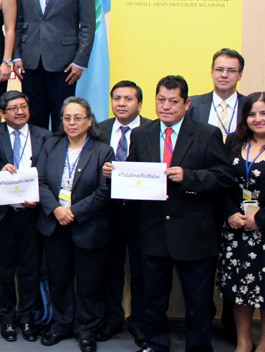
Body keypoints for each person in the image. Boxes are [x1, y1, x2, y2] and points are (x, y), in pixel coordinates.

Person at [104, 75, 235, 352]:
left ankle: (198, 348)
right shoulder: (143, 134)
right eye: (161, 100)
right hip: (153, 232)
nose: (166, 107)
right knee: (153, 299)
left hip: (194, 233)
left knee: (198, 302)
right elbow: (131, 176)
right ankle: (156, 344)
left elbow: (224, 178)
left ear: (186, 104)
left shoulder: (206, 133)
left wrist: (190, 177)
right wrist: (112, 175)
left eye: (173, 101)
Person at [35, 97, 113, 352]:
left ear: (90, 121)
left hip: (88, 227)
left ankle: (86, 330)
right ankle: (61, 324)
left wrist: (74, 212)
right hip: (55, 224)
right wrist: (57, 209)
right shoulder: (52, 144)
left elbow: (104, 191)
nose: (72, 122)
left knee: (89, 282)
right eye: (67, 117)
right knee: (59, 279)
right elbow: (41, 181)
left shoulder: (103, 150)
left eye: (78, 117)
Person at [220, 92, 265, 352]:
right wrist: (230, 212)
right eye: (251, 114)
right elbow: (221, 182)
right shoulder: (232, 144)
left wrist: (261, 219)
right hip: (237, 230)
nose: (258, 119)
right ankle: (243, 342)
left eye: (264, 113)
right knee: (240, 291)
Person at [12, 0, 96, 131]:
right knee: (34, 118)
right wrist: (16, 55)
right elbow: (19, 19)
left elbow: (87, 24)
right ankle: (37, 162)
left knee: (63, 118)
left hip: (65, 64)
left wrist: (80, 62)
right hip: (30, 62)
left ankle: (60, 162)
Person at [0, 90, 51, 342]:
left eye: (23, 106)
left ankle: (27, 319)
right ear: (2, 113)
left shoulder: (44, 136)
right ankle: (7, 320)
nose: (20, 111)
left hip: (33, 214)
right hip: (2, 215)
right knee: (3, 271)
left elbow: (51, 173)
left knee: (30, 269)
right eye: (13, 108)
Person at [95, 80, 150, 347]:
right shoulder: (100, 129)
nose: (122, 103)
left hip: (142, 212)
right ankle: (113, 318)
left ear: (139, 104)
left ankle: (139, 322)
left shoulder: (152, 130)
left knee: (140, 270)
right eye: (117, 98)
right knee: (111, 268)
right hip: (108, 209)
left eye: (128, 99)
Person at [187, 48, 247, 141]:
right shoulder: (192, 105)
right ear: (212, 72)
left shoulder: (249, 106)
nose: (224, 75)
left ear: (240, 75)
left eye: (231, 70)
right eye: (219, 69)